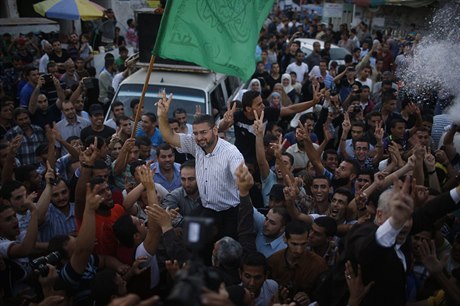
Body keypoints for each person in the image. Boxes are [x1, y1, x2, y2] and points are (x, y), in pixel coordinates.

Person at [157, 90, 244, 238]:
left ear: (215, 130)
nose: (199, 137)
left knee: (224, 250)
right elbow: (169, 136)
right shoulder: (195, 144)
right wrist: (162, 115)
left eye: (203, 132)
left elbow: (242, 184)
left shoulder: (231, 153)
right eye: (196, 133)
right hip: (205, 209)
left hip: (229, 213)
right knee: (194, 243)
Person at [162, 160, 203, 227]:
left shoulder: (208, 195)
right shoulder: (173, 196)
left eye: (191, 179)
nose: (187, 184)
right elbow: (166, 215)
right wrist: (169, 215)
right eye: (183, 179)